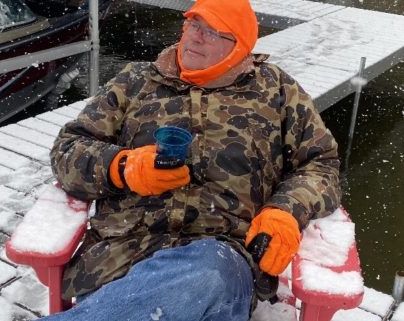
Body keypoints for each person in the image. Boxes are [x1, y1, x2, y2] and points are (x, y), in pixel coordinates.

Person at [47, 0, 341, 319]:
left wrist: (286, 210)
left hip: (221, 257)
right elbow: (68, 149)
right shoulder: (135, 81)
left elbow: (320, 165)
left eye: (213, 32)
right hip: (118, 257)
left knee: (206, 274)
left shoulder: (277, 90)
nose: (197, 37)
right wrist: (123, 167)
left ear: (238, 47)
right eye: (194, 25)